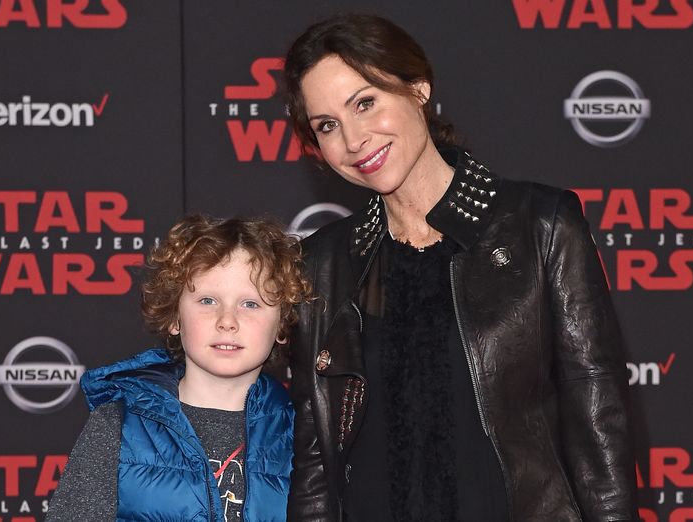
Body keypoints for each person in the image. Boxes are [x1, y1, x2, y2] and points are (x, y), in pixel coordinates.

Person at [283, 13, 639, 522]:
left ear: (418, 88)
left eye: (366, 103)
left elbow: (598, 424)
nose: (354, 139)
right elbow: (316, 459)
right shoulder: (323, 262)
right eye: (327, 126)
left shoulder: (540, 226)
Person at [46, 215, 311, 522]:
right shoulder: (119, 424)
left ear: (281, 324)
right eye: (208, 300)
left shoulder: (306, 433)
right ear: (174, 317)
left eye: (250, 304)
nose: (227, 321)